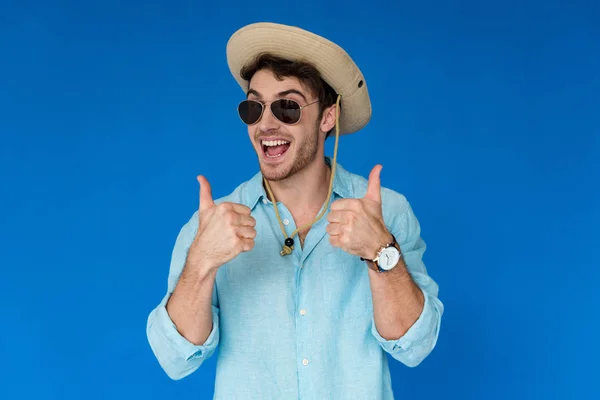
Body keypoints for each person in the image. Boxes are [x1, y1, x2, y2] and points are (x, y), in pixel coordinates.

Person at [146, 22, 444, 399]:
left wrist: (381, 253)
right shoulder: (213, 224)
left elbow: (416, 347)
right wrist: (201, 263)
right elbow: (175, 359)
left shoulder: (386, 213)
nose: (266, 124)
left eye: (287, 106)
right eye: (254, 107)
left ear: (327, 117)